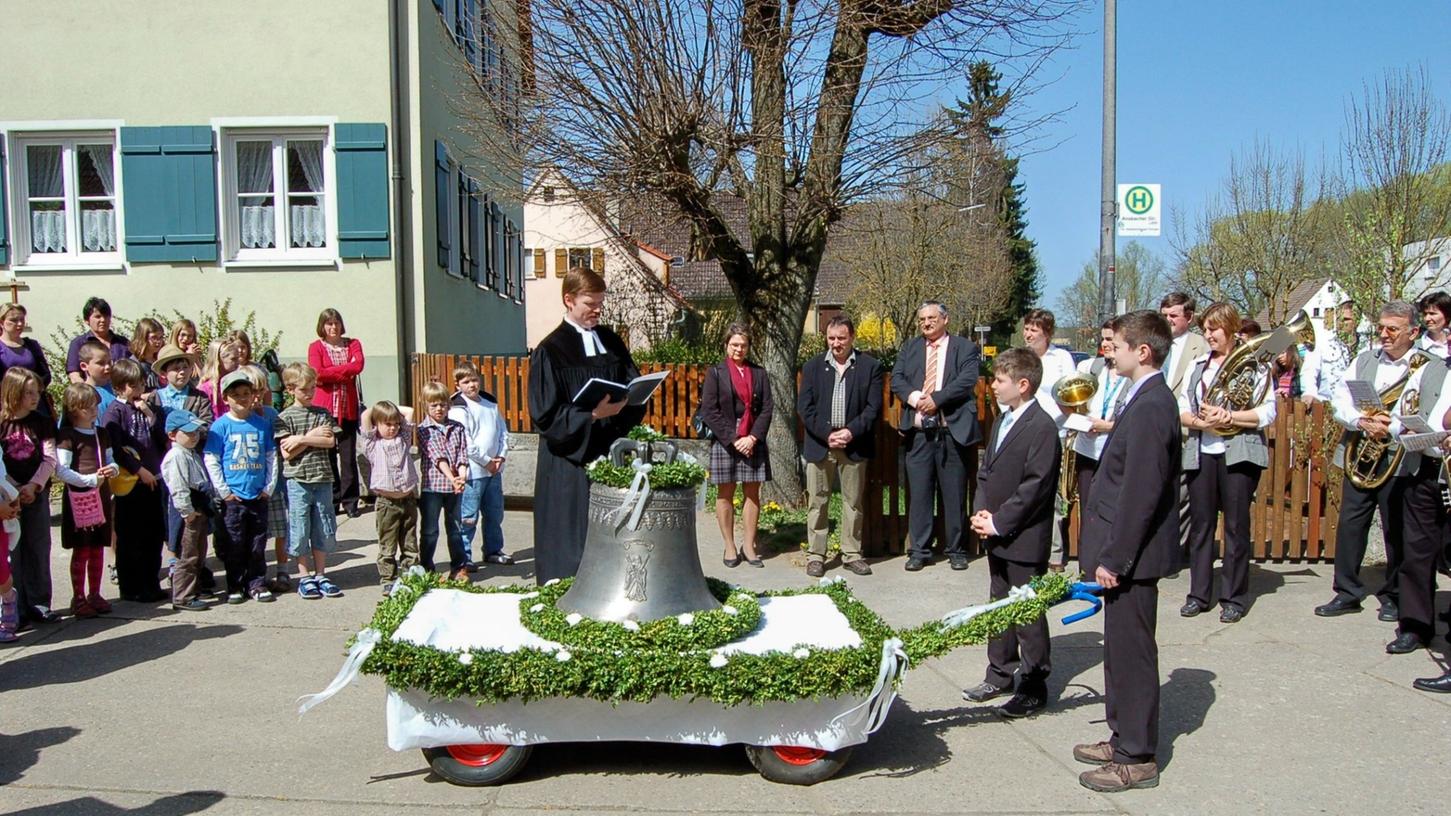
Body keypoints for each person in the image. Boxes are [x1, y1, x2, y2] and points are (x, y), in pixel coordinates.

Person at [1073, 309, 1181, 793]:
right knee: (1118, 651)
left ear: (1143, 351)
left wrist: (1115, 559)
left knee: (1133, 655)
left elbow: (1141, 492)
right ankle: (1121, 736)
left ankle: (1136, 757)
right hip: (1125, 556)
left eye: (1115, 345)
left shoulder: (1155, 404)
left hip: (1133, 561)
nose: (1107, 352)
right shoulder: (1140, 397)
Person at [527, 267, 646, 583]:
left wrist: (630, 398)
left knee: (613, 534)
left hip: (608, 454)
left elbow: (630, 381)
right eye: (589, 304)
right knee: (573, 539)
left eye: (600, 304)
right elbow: (544, 415)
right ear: (569, 300)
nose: (597, 311)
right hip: (569, 462)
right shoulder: (550, 350)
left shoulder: (610, 340)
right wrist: (592, 415)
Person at [963, 347, 1061, 718]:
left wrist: (1000, 521)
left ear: (1023, 384)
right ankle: (999, 671)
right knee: (999, 604)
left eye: (999, 381)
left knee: (1026, 611)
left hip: (1023, 535)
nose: (992, 386)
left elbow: (1035, 487)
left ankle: (1034, 684)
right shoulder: (1002, 420)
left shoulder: (1042, 427)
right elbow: (986, 470)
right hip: (996, 531)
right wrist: (981, 512)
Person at [1314, 301, 1423, 620]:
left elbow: (1426, 411)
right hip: (1360, 453)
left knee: (1395, 528)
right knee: (1350, 524)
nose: (1385, 334)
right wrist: (1361, 422)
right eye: (1381, 328)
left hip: (1399, 456)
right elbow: (1340, 398)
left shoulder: (1425, 366)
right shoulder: (1364, 360)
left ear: (1413, 332)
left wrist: (1391, 425)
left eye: (1393, 329)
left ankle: (1394, 595)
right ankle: (1346, 591)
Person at [1178, 303, 1277, 623]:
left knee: (1236, 527)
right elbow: (1181, 407)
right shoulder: (1197, 365)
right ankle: (1198, 593)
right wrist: (1199, 422)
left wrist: (1230, 416)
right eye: (1205, 329)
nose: (1208, 335)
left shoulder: (1255, 366)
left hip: (1239, 453)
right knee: (1201, 526)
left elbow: (1267, 412)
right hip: (1202, 451)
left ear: (1231, 330)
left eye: (1214, 330)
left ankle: (1233, 597)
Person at [890, 300, 982, 572]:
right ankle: (919, 550)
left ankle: (955, 550)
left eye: (931, 318)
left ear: (945, 319)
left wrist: (937, 400)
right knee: (919, 494)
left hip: (951, 432)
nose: (926, 323)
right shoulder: (910, 348)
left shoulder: (964, 348)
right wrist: (917, 398)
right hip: (918, 433)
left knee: (953, 494)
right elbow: (897, 379)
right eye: (921, 319)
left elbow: (967, 380)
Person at [797, 315, 882, 577]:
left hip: (854, 445)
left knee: (853, 503)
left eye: (841, 338)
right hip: (820, 444)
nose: (836, 344)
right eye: (831, 338)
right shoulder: (811, 367)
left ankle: (851, 554)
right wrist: (827, 434)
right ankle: (816, 556)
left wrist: (849, 431)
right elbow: (805, 407)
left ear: (852, 338)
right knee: (817, 502)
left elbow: (873, 408)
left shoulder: (870, 367)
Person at [1384, 351, 1451, 656]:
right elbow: (1400, 412)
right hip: (1425, 468)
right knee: (1416, 552)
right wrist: (1405, 429)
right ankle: (1415, 626)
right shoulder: (1429, 370)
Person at [700, 323, 774, 569]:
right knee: (726, 494)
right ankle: (730, 545)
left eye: (743, 345)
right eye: (734, 345)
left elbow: (766, 408)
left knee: (753, 493)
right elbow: (709, 411)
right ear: (726, 345)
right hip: (726, 441)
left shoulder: (760, 373)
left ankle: (749, 546)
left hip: (752, 440)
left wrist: (752, 438)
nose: (739, 349)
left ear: (749, 347)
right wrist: (734, 439)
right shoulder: (716, 373)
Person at [203, 370, 279, 604]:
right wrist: (224, 492)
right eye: (236, 395)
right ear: (226, 399)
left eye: (246, 393)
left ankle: (256, 583)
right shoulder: (220, 426)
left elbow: (271, 456)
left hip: (258, 494)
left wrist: (269, 487)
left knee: (257, 543)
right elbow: (211, 459)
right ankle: (235, 585)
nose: (242, 398)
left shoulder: (261, 424)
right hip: (233, 498)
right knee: (233, 544)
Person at [103, 359, 169, 603]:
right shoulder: (115, 411)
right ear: (120, 386)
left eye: (142, 383)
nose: (140, 389)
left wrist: (151, 415)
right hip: (130, 482)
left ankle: (151, 583)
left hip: (154, 477)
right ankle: (131, 587)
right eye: (134, 385)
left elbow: (163, 438)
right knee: (131, 535)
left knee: (153, 533)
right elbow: (117, 449)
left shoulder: (147, 408)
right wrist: (139, 469)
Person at [276, 362, 343, 600]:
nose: (310, 393)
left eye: (313, 387)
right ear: (291, 389)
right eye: (305, 389)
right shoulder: (284, 417)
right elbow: (287, 453)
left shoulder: (322, 413)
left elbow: (330, 442)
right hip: (298, 481)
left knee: (323, 526)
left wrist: (302, 439)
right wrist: (312, 436)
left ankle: (321, 573)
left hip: (322, 478)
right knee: (300, 527)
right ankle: (304, 576)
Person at [55, 382, 119, 618]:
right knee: (81, 548)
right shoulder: (67, 435)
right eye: (87, 407)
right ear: (73, 409)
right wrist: (90, 479)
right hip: (79, 499)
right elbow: (61, 470)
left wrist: (112, 470)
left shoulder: (100, 433)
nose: (94, 411)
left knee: (97, 547)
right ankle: (78, 597)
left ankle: (95, 593)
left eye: (95, 406)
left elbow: (112, 460)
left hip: (100, 496)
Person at [1, 368, 58, 625]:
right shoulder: (2, 423)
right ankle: (16, 606)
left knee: (38, 547)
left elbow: (49, 458)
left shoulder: (41, 422)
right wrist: (11, 488)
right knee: (13, 551)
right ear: (13, 393)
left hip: (35, 493)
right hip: (7, 496)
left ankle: (40, 603)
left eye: (37, 392)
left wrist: (34, 485)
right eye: (28, 393)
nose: (35, 398)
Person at [1022, 308, 1077, 571]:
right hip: (1025, 434)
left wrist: (1049, 420)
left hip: (1056, 432)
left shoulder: (1061, 358)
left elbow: (1069, 395)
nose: (1029, 333)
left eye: (1035, 329)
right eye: (1027, 328)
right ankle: (1027, 548)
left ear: (1048, 333)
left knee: (1054, 496)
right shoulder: (1019, 358)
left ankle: (1055, 554)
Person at [1161, 293, 1209, 562]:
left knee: (1181, 497)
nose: (1168, 321)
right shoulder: (1154, 342)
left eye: (1173, 316)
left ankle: (1176, 552)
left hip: (1185, 433)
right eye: (1164, 315)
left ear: (1189, 317)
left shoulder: (1200, 346)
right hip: (1155, 431)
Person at [448, 362, 511, 570]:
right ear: (458, 384)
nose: (472, 385)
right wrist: (486, 461)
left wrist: (500, 457)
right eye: (466, 382)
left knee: (494, 513)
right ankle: (464, 556)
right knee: (468, 517)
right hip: (474, 472)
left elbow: (502, 431)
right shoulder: (458, 406)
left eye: (474, 379)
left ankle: (493, 550)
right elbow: (465, 440)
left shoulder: (490, 402)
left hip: (494, 471)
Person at [1068, 321, 1129, 517]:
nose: (1105, 343)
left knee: (1113, 510)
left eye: (1110, 339)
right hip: (1087, 449)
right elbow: (1066, 399)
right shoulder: (1090, 367)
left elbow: (1136, 418)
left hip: (1116, 450)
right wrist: (1079, 420)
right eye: (1103, 338)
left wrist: (1109, 426)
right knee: (1088, 509)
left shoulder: (1131, 374)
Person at [308, 309, 365, 518]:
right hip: (325, 410)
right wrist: (344, 370)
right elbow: (317, 372)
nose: (333, 327)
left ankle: (351, 502)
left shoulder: (353, 344)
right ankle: (332, 500)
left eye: (336, 323)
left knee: (348, 458)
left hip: (347, 408)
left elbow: (358, 365)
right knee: (328, 456)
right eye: (328, 324)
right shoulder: (316, 347)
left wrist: (331, 372)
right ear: (322, 326)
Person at [239, 365, 289, 593]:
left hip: (273, 485)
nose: (257, 397)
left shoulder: (270, 414)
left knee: (280, 530)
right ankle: (255, 574)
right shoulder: (238, 419)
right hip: (248, 486)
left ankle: (282, 570)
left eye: (261, 391)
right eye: (252, 391)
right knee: (255, 535)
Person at [360, 401, 419, 593]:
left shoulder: (403, 438)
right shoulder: (372, 443)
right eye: (387, 424)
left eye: (395, 423)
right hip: (387, 503)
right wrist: (378, 408)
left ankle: (411, 573)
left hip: (408, 498)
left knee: (409, 540)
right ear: (377, 424)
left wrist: (392, 411)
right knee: (388, 542)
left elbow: (409, 411)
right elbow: (365, 417)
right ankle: (388, 577)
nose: (392, 428)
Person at [161, 409, 215, 611]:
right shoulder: (176, 456)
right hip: (186, 512)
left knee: (199, 552)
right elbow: (178, 487)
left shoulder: (190, 453)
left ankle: (195, 588)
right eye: (189, 433)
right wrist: (188, 512)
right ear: (172, 434)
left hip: (198, 508)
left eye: (196, 432)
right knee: (187, 555)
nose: (194, 436)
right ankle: (183, 596)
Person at [421, 380, 471, 580]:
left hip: (455, 488)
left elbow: (462, 454)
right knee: (430, 530)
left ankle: (459, 567)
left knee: (456, 529)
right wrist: (453, 478)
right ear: (426, 406)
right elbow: (437, 457)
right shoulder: (424, 429)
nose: (439, 409)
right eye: (434, 405)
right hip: (432, 487)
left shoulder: (457, 428)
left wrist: (462, 476)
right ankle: (426, 567)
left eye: (442, 404)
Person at [65, 297, 131, 383]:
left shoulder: (123, 342)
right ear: (87, 320)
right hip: (93, 393)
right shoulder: (79, 343)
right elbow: (74, 375)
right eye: (98, 317)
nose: (103, 320)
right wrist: (88, 392)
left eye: (106, 316)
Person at [0, 304, 54, 402]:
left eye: (22, 320)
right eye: (14, 320)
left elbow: (45, 375)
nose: (20, 324)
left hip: (34, 402)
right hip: (7, 403)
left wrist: (31, 390)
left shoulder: (32, 345)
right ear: (1, 322)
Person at [196, 339, 240, 420]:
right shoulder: (206, 388)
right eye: (233, 359)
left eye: (238, 358)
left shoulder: (238, 383)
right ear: (219, 360)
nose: (238, 362)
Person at [77, 340, 116, 416]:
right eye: (101, 363)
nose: (107, 367)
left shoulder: (119, 388)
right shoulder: (81, 396)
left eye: (109, 362)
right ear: (84, 366)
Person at [130, 317, 166, 394]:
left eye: (161, 337)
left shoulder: (160, 360)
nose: (158, 341)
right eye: (154, 338)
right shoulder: (134, 363)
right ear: (143, 338)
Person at [1417, 290, 1451, 359]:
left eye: (1432, 314)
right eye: (1424, 314)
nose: (1427, 318)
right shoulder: (1415, 349)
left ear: (1447, 315)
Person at [167, 318, 202, 383]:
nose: (186, 339)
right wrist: (188, 357)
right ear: (176, 335)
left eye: (190, 336)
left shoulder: (193, 353)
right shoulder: (168, 354)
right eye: (183, 335)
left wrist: (196, 360)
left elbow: (204, 379)